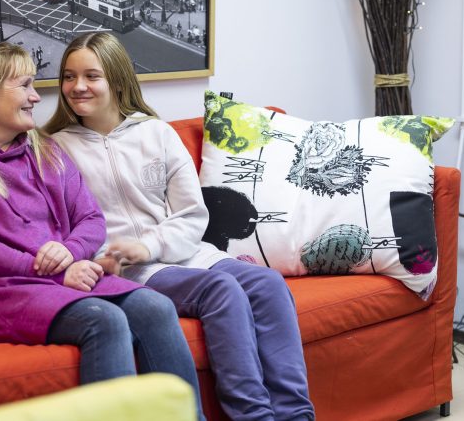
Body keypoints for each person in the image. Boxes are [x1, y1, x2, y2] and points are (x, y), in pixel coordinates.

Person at [0, 43, 203, 413]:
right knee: (105, 320)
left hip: (61, 276)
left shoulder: (46, 151)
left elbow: (91, 220)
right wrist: (56, 267)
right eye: (25, 86)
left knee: (155, 307)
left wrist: (72, 252)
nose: (36, 97)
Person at [45, 32, 314, 421]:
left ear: (118, 80)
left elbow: (192, 214)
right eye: (69, 77)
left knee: (269, 284)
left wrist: (151, 243)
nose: (78, 86)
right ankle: (254, 416)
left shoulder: (157, 133)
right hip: (131, 272)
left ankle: (295, 416)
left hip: (189, 253)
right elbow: (58, 226)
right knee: (221, 290)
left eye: (91, 75)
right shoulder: (55, 149)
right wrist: (120, 254)